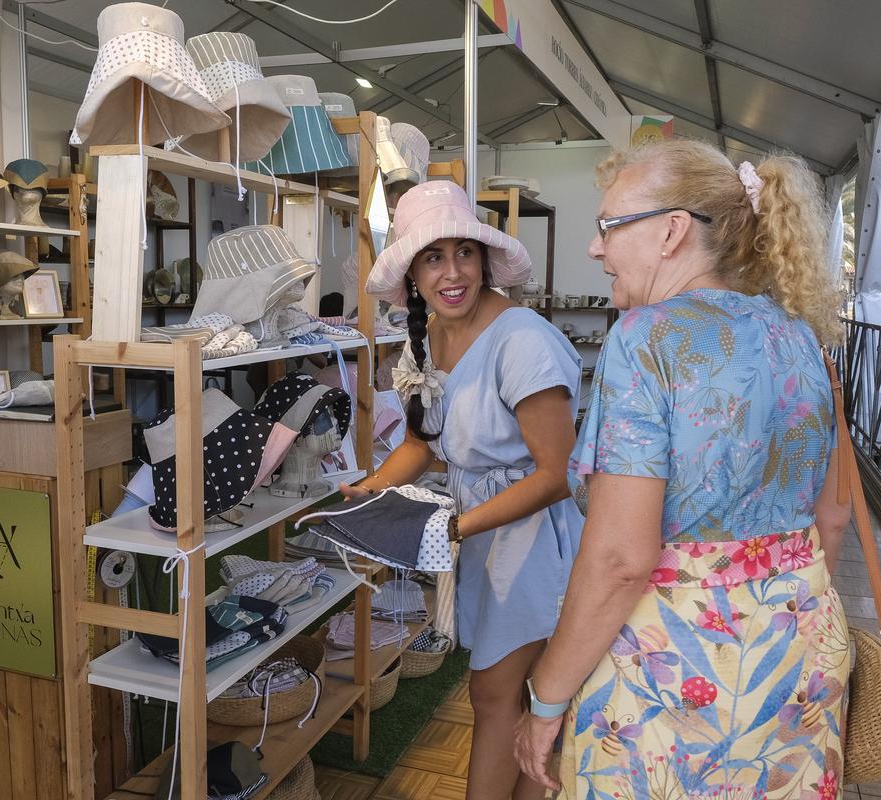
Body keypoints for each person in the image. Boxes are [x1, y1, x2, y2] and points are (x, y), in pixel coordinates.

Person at [513, 140, 853, 798]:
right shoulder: (803, 338)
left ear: (671, 231)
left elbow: (620, 559)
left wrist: (545, 701)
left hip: (674, 673)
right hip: (798, 660)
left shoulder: (645, 340)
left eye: (609, 225)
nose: (595, 246)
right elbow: (831, 518)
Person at [349, 180, 585, 800]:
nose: (452, 272)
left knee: (497, 694)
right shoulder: (426, 338)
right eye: (433, 257)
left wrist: (453, 528)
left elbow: (555, 474)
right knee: (527, 703)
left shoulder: (522, 341)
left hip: (535, 545)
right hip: (485, 536)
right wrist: (369, 491)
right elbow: (422, 443)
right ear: (412, 275)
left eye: (464, 253)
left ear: (485, 260)